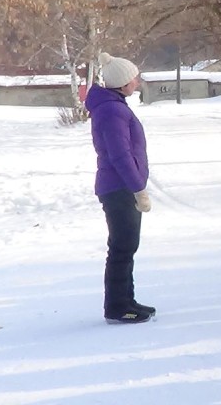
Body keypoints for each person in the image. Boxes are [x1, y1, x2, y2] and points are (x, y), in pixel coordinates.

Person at [85, 52, 154, 324]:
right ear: (123, 83)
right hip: (119, 188)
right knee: (122, 247)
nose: (136, 81)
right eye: (133, 78)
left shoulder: (114, 105)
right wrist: (138, 189)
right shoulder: (112, 110)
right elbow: (120, 155)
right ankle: (116, 306)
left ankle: (127, 299)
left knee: (127, 246)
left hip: (121, 186)